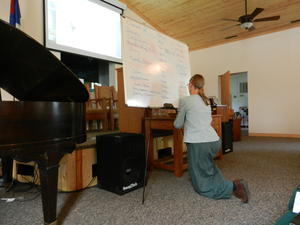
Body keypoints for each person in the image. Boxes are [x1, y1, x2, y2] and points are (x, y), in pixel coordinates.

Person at [174, 74, 249, 203]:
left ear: (191, 85)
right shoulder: (206, 101)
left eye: (188, 84)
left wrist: (182, 114)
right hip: (214, 141)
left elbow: (177, 124)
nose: (188, 86)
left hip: (199, 143)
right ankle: (225, 183)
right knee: (207, 167)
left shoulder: (185, 101)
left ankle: (234, 186)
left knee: (201, 184)